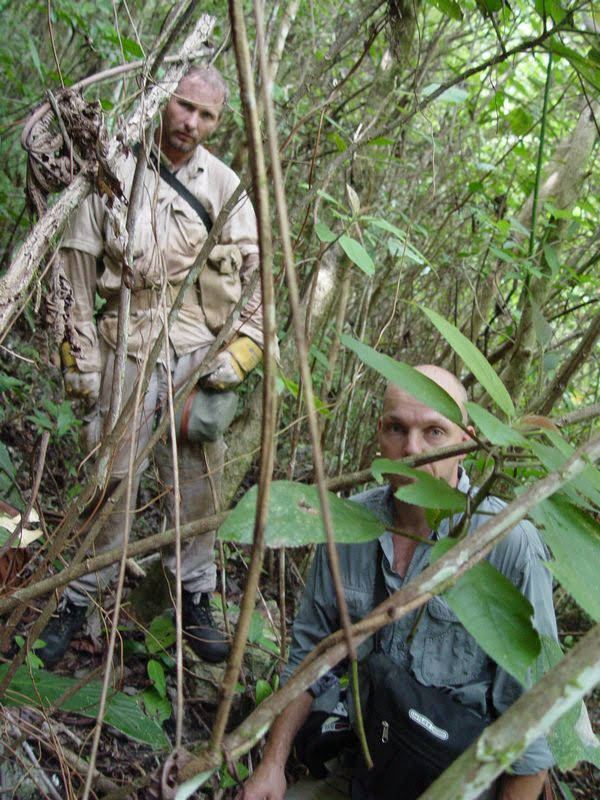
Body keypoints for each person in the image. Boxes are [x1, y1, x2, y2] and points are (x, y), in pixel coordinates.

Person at [238, 365, 557, 800]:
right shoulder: (348, 526)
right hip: (368, 763)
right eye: (396, 428)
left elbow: (531, 734)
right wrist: (272, 765)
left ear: (466, 442)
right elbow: (307, 662)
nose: (412, 449)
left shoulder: (507, 544)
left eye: (434, 432)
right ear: (378, 437)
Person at [38, 65, 264, 668]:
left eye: (205, 114)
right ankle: (77, 598)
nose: (190, 122)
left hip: (196, 353)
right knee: (108, 481)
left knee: (198, 484)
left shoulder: (224, 185)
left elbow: (259, 282)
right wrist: (80, 357)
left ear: (219, 123)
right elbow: (74, 270)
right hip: (125, 348)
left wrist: (243, 349)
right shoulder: (116, 165)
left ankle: (195, 596)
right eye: (183, 106)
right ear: (165, 100)